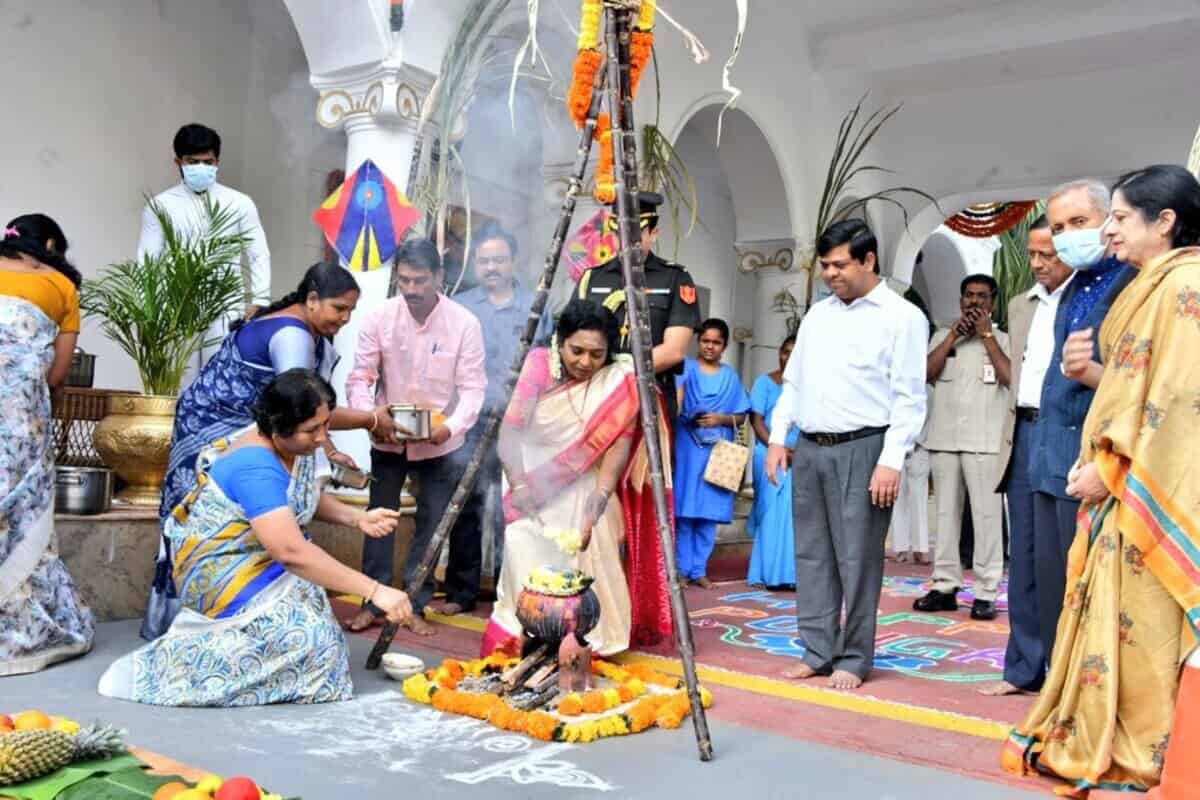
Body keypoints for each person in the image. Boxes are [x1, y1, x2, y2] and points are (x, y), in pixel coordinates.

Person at [1002, 165, 1200, 793]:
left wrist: (1110, 469)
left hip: (1143, 491)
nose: (1108, 231)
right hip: (1111, 480)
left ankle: (1143, 750)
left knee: (1143, 629)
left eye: (1118, 217)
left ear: (1164, 221)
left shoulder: (1184, 287)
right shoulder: (1150, 283)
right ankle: (1103, 731)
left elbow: (1177, 405)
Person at [100, 370, 413, 706]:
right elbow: (290, 552)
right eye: (313, 430)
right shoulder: (255, 466)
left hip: (261, 560)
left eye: (325, 425)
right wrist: (375, 591)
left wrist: (358, 517)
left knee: (319, 636)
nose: (323, 437)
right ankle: (187, 664)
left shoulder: (289, 445)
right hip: (223, 571)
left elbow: (297, 495)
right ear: (278, 427)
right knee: (315, 641)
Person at [142, 263, 396, 641]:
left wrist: (355, 514)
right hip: (215, 458)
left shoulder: (287, 432)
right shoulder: (257, 454)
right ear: (312, 300)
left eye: (351, 311)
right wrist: (369, 422)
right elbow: (304, 406)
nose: (345, 319)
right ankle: (190, 631)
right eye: (339, 308)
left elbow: (308, 417)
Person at [767, 219, 928, 690]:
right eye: (826, 266)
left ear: (868, 260)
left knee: (857, 559)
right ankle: (817, 651)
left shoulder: (902, 317)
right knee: (812, 554)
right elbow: (794, 382)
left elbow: (910, 397)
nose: (831, 274)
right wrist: (778, 437)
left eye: (840, 265)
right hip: (810, 449)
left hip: (865, 449)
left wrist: (891, 460)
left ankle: (855, 658)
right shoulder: (818, 315)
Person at [480, 299, 674, 656]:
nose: (585, 362)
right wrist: (521, 486)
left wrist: (593, 513)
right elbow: (509, 434)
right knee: (526, 564)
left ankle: (584, 648)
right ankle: (522, 642)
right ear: (560, 341)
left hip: (587, 486)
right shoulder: (538, 365)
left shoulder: (619, 382)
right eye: (577, 351)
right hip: (530, 481)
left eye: (596, 354)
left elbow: (616, 448)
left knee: (588, 567)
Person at [345, 239, 487, 635]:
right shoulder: (379, 318)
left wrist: (450, 428)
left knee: (431, 525)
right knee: (378, 519)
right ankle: (373, 602)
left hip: (441, 443)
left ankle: (415, 604)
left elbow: (473, 389)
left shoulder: (464, 324)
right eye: (404, 280)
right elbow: (360, 377)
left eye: (420, 280)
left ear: (439, 277)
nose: (411, 289)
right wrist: (371, 417)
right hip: (388, 437)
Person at [981, 215, 1074, 697]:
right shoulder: (1021, 306)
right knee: (1024, 557)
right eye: (1032, 254)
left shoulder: (1088, 301)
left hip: (1065, 434)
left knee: (1062, 557)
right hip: (1022, 433)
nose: (1037, 263)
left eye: (1047, 255)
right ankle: (1022, 668)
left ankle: (1065, 670)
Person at [0, 214, 95, 675]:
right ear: (52, 245)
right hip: (21, 418)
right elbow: (58, 373)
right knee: (21, 509)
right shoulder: (61, 285)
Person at [915, 275, 1011, 621]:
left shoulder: (1004, 338)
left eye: (982, 297)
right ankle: (944, 586)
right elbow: (924, 373)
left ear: (992, 303)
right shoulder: (942, 336)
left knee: (986, 518)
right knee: (945, 516)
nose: (974, 302)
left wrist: (986, 336)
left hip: (985, 442)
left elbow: (1010, 378)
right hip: (944, 439)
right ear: (960, 301)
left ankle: (986, 591)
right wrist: (953, 336)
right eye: (969, 296)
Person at [137, 123, 271, 368]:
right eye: (192, 162)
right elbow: (148, 261)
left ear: (217, 162)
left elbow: (258, 253)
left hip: (225, 304)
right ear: (178, 162)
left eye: (207, 162)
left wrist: (260, 299)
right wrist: (147, 312)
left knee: (220, 374)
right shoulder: (159, 206)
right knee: (179, 377)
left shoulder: (240, 203)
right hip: (176, 306)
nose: (201, 167)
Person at [569, 191, 701, 421]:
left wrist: (619, 375)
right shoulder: (592, 278)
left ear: (653, 233)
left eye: (635, 235)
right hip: (594, 396)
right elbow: (570, 336)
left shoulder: (675, 278)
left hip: (650, 398)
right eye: (619, 234)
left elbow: (675, 350)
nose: (627, 242)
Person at [456, 223, 534, 584]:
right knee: (466, 502)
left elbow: (544, 361)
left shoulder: (534, 306)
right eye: (484, 260)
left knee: (514, 503)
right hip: (471, 421)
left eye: (499, 260)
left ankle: (511, 585)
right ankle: (462, 588)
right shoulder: (460, 306)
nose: (491, 267)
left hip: (519, 422)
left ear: (513, 261)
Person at [672, 319, 750, 588]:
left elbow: (742, 417)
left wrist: (721, 419)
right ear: (698, 341)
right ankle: (682, 570)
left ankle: (699, 570)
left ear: (724, 346)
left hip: (718, 453)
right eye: (705, 340)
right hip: (687, 449)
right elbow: (674, 405)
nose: (710, 346)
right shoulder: (685, 368)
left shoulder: (730, 377)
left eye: (716, 342)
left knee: (708, 515)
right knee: (684, 513)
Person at [747, 336, 798, 588]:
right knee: (768, 513)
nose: (788, 357)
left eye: (794, 352)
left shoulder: (806, 387)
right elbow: (756, 421)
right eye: (785, 351)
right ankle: (765, 573)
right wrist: (777, 448)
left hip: (799, 458)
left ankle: (789, 574)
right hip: (768, 454)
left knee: (791, 515)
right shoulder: (764, 383)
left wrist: (797, 452)